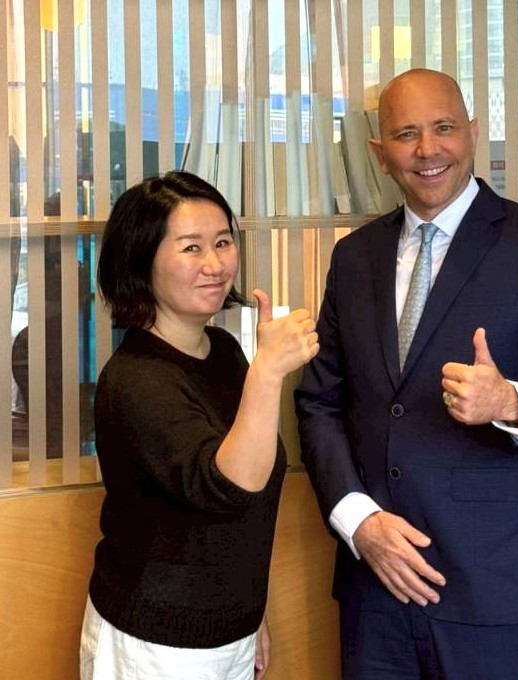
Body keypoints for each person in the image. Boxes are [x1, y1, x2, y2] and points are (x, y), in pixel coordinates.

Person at [295, 68, 518, 679]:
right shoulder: (354, 256)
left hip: (497, 592)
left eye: (444, 128)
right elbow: (320, 403)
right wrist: (358, 522)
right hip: (375, 590)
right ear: (380, 153)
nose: (428, 149)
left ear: (473, 133)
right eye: (406, 134)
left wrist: (508, 401)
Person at [80, 171, 319, 680]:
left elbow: (242, 510)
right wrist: (269, 370)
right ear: (141, 260)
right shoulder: (136, 378)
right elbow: (228, 486)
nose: (215, 264)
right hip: (154, 644)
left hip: (228, 632)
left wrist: (252, 613)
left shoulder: (224, 352)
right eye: (191, 247)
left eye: (223, 242)